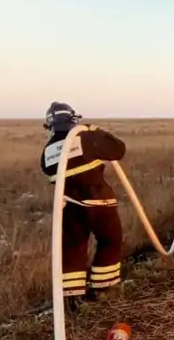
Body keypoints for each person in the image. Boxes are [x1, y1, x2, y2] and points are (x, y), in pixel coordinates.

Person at [39, 102, 127, 310]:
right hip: (98, 202)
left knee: (73, 247)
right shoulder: (86, 137)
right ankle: (104, 287)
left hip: (68, 207)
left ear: (50, 125)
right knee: (110, 241)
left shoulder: (47, 152)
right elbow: (119, 150)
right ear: (73, 119)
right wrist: (97, 130)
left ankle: (72, 298)